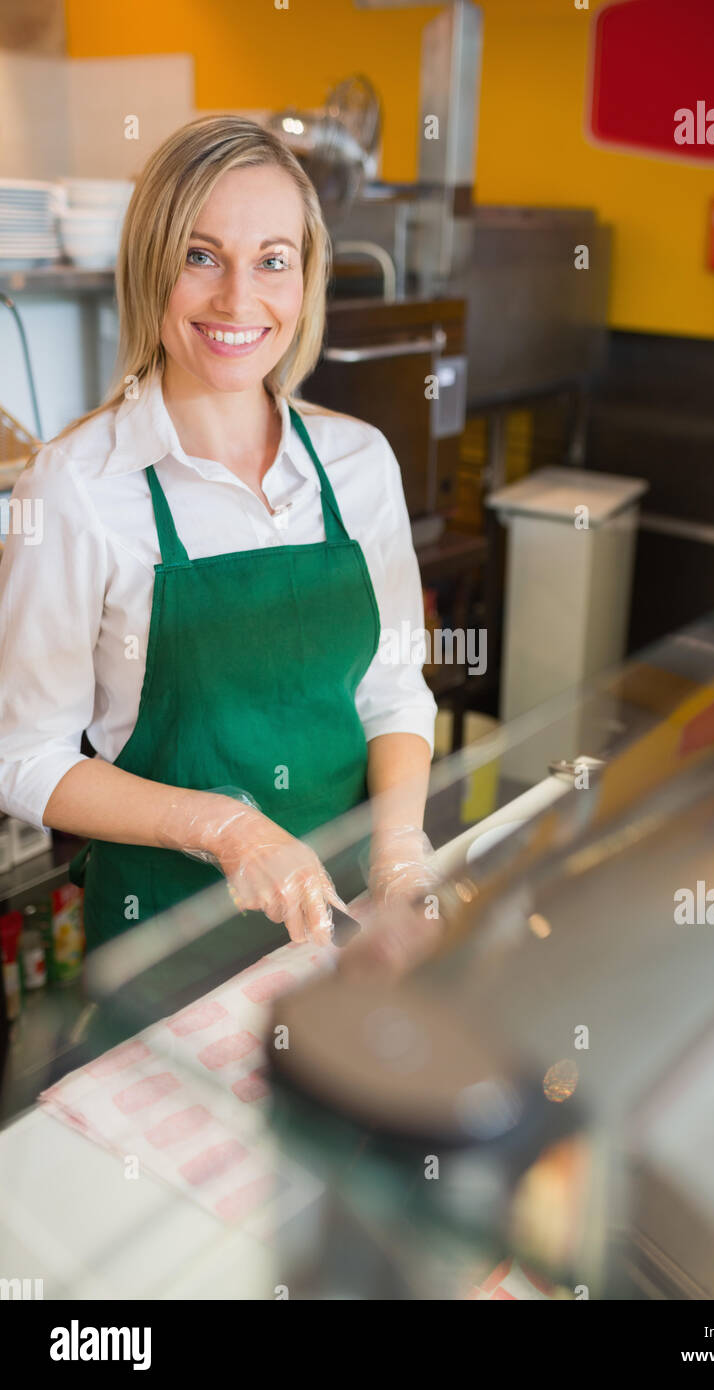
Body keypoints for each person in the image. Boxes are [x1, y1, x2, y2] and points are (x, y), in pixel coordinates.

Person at [0, 115, 438, 951]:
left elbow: (392, 692)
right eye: (202, 257)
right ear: (151, 267)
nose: (239, 299)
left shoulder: (359, 461)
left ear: (305, 280)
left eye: (272, 260)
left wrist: (398, 854)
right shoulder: (76, 487)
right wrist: (228, 831)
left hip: (347, 919)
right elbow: (23, 756)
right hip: (162, 938)